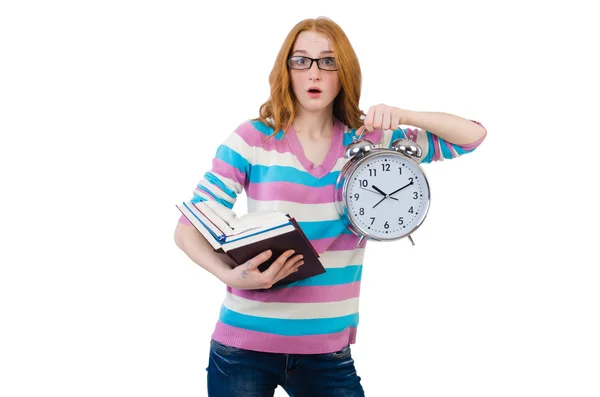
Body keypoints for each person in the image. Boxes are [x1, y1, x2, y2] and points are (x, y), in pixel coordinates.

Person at [174, 17, 487, 397]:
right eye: (301, 61)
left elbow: (471, 138)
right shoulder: (253, 139)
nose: (314, 73)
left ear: (344, 72)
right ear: (286, 70)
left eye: (328, 61)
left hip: (327, 352)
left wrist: (404, 116)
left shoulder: (371, 140)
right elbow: (188, 228)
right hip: (244, 346)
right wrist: (230, 275)